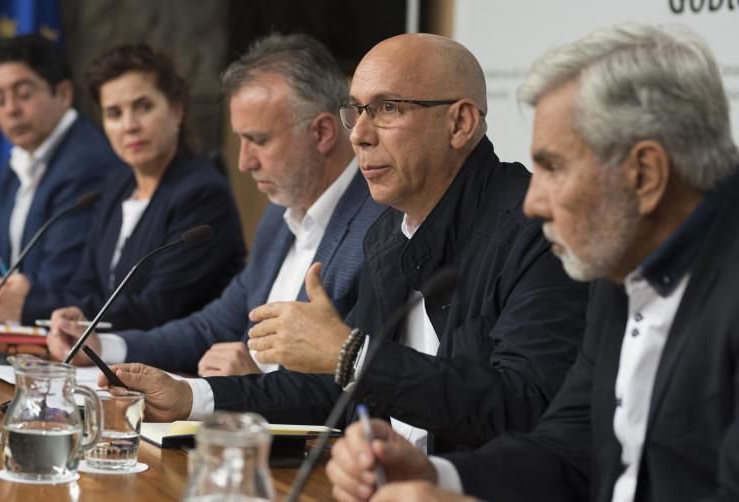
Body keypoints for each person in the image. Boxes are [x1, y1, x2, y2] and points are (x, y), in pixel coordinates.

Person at [90, 33, 588, 454]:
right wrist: (188, 396)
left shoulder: (535, 229)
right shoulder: (389, 234)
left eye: (388, 108)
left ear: (460, 123)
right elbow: (331, 390)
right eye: (357, 112)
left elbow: (525, 405)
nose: (361, 135)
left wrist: (351, 355)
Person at [326, 24, 739, 502]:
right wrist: (438, 477)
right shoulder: (620, 273)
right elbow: (569, 449)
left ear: (644, 174)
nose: (533, 202)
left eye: (554, 168)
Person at [48, 34, 384, 390]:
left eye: (258, 140)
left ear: (322, 132)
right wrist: (104, 346)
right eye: (241, 140)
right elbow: (213, 326)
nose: (243, 162)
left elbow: (364, 380)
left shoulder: (377, 227)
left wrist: (257, 383)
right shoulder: (278, 217)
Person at [0, 44, 246, 331]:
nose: (129, 126)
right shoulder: (117, 186)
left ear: (176, 111)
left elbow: (155, 310)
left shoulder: (202, 194)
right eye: (114, 113)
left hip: (178, 367)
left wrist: (29, 306)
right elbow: (84, 287)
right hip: (103, 360)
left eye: (144, 107)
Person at [0, 34, 118, 309]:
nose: (11, 109)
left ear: (63, 93)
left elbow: (52, 284)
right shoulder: (19, 160)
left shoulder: (85, 165)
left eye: (24, 94)